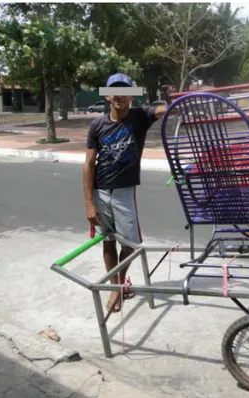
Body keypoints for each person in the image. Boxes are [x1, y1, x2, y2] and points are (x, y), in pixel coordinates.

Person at [83, 73, 167, 312]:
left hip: (124, 192)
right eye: (114, 91)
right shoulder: (97, 125)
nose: (119, 95)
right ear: (107, 95)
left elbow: (162, 110)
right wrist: (89, 203)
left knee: (129, 244)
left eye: (125, 91)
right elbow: (88, 164)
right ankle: (115, 289)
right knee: (108, 241)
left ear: (132, 95)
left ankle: (120, 281)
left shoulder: (139, 117)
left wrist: (176, 102)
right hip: (101, 192)